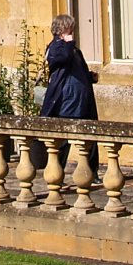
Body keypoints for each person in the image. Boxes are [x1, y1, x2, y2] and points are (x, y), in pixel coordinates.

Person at [41, 14, 99, 178]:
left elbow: (77, 69)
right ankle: (56, 174)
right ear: (62, 29)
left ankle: (92, 173)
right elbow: (61, 59)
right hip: (65, 101)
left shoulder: (74, 49)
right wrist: (68, 42)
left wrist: (89, 76)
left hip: (82, 100)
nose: (73, 30)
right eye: (70, 27)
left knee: (90, 137)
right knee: (63, 140)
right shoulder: (56, 47)